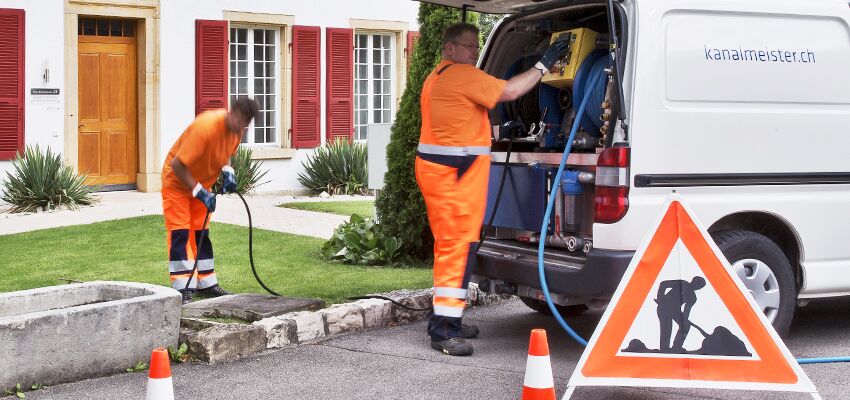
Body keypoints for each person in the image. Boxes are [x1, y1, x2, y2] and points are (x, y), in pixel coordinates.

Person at [416, 23, 570, 356]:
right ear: (450, 49)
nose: (474, 52)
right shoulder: (461, 75)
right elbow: (512, 91)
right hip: (454, 180)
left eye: (476, 46)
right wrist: (544, 64)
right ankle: (444, 333)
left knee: (455, 248)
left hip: (446, 176)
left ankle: (447, 320)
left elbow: (459, 119)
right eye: (469, 46)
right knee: (456, 251)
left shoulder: (437, 77)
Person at [161, 97, 259, 304]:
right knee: (181, 232)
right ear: (231, 112)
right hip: (177, 183)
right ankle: (183, 287)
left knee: (201, 233)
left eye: (245, 124)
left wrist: (227, 171)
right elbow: (178, 164)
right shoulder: (205, 127)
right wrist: (198, 191)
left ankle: (206, 283)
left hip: (201, 184)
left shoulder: (236, 129)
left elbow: (225, 152)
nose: (241, 128)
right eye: (240, 121)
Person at [655, 277, 707, 353]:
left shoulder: (693, 297)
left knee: (686, 325)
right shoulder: (683, 283)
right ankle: (664, 348)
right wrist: (660, 298)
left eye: (700, 286)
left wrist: (685, 321)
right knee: (666, 327)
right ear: (693, 281)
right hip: (664, 307)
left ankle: (676, 347)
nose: (697, 287)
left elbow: (686, 312)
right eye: (698, 284)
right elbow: (663, 284)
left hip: (675, 311)